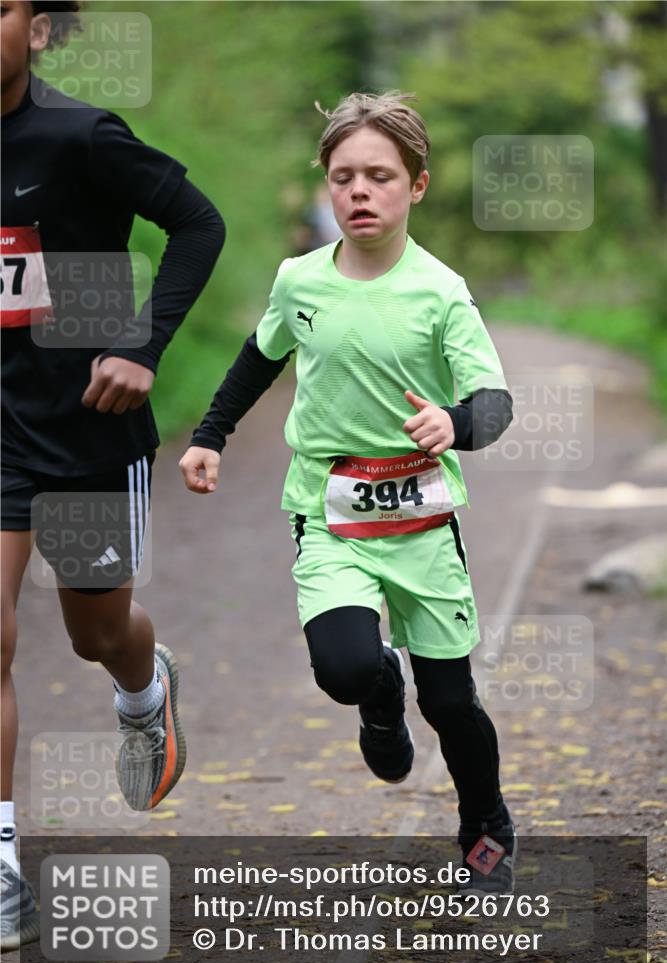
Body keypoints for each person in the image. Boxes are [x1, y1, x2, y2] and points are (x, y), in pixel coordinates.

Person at [179, 92, 515, 895]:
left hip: (423, 520)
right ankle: (375, 701)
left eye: (379, 176)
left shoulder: (439, 290)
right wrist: (208, 435)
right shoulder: (300, 280)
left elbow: (494, 403)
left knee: (451, 701)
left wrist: (454, 423)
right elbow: (259, 357)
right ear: (326, 188)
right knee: (343, 666)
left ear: (416, 187)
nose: (359, 191)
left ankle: (483, 824)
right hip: (327, 511)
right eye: (343, 177)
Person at [1, 0, 225, 950]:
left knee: (95, 631)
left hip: (85, 430)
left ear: (39, 30)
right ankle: (4, 864)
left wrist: (141, 345)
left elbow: (197, 225)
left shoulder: (78, 136)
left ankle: (142, 688)